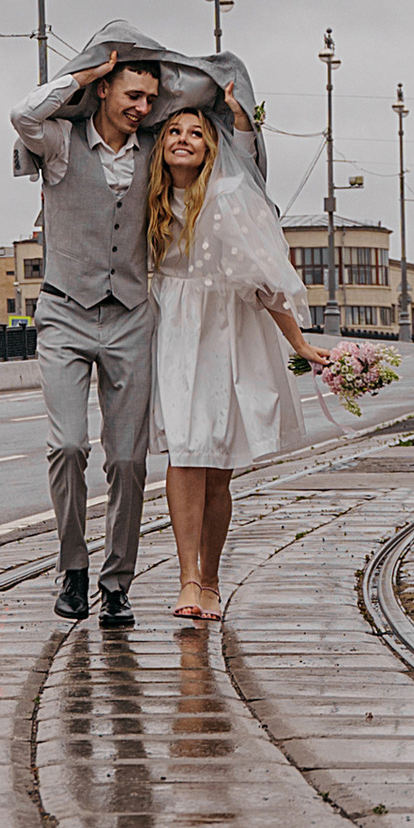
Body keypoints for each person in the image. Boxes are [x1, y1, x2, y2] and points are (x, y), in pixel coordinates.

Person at [148, 101, 325, 622]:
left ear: (210, 148)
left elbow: (266, 281)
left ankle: (212, 581)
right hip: (174, 333)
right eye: (174, 131)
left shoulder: (228, 197)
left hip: (227, 329)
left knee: (218, 468)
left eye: (196, 133)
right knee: (184, 450)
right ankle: (186, 580)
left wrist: (300, 344)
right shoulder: (148, 199)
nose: (183, 139)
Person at [12, 31, 166, 624]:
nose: (142, 108)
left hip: (131, 314)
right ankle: (73, 567)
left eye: (150, 99)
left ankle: (117, 582)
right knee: (69, 444)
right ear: (103, 89)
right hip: (64, 312)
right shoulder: (60, 143)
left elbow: (212, 153)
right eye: (132, 94)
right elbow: (21, 111)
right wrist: (79, 74)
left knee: (128, 460)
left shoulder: (152, 150)